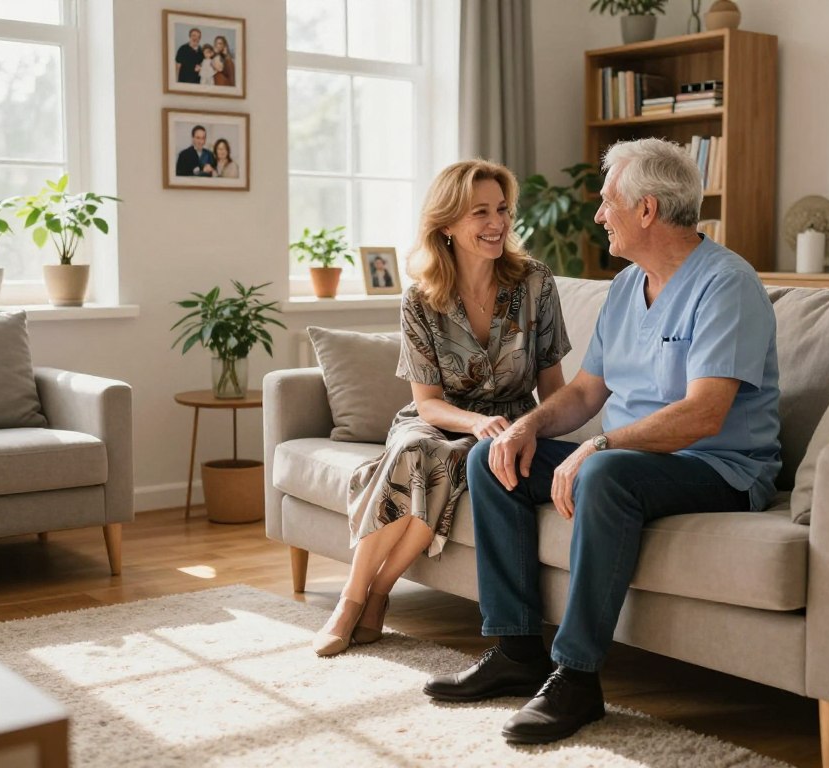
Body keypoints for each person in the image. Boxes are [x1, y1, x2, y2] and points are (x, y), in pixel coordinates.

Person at [424, 138, 781, 745]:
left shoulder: (726, 285)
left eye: (607, 200)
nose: (597, 214)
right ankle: (516, 650)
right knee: (492, 457)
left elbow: (704, 414)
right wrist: (529, 425)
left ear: (646, 210)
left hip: (721, 467)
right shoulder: (626, 286)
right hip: (637, 458)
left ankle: (578, 676)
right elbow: (587, 392)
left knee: (605, 473)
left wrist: (603, 446)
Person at [312, 159, 571, 657]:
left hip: (508, 426)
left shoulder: (535, 283)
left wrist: (530, 429)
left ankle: (376, 594)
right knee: (418, 451)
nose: (497, 223)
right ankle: (352, 598)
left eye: (502, 209)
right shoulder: (420, 299)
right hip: (440, 420)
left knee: (456, 460)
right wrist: (476, 421)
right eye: (480, 212)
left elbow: (554, 386)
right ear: (447, 224)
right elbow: (427, 405)